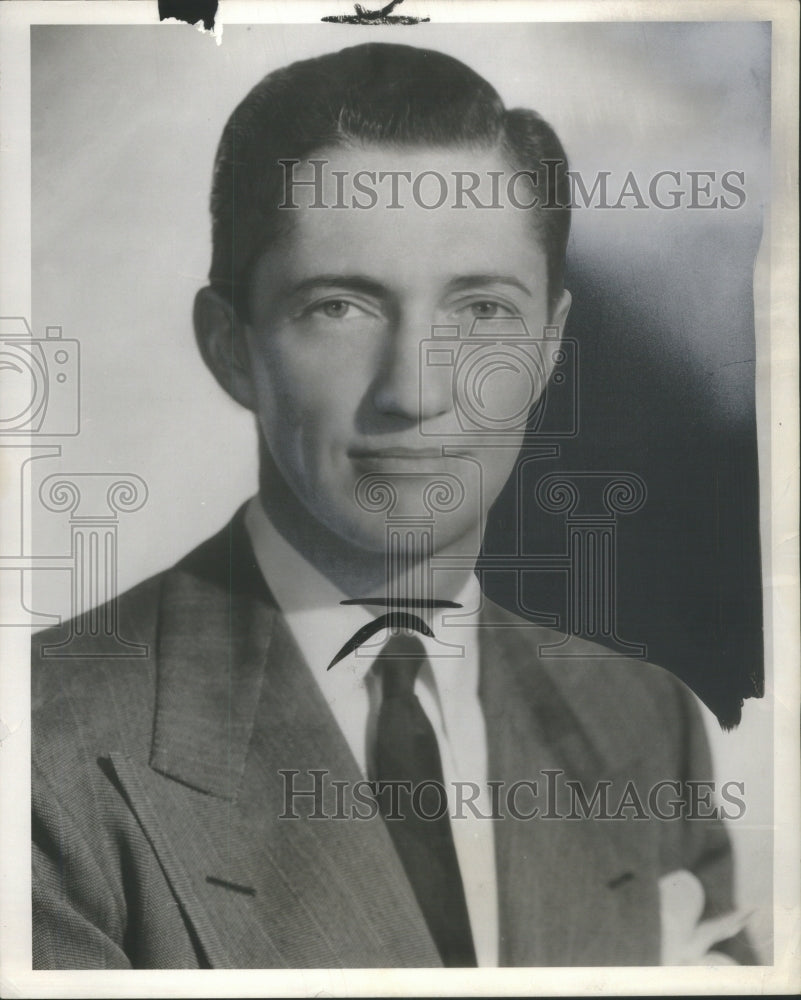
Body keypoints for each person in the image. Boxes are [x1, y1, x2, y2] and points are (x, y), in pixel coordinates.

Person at [31, 41, 754, 969]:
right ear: (229, 346)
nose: (415, 390)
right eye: (339, 305)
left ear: (548, 348)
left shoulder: (642, 721)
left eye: (482, 310)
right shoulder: (44, 755)